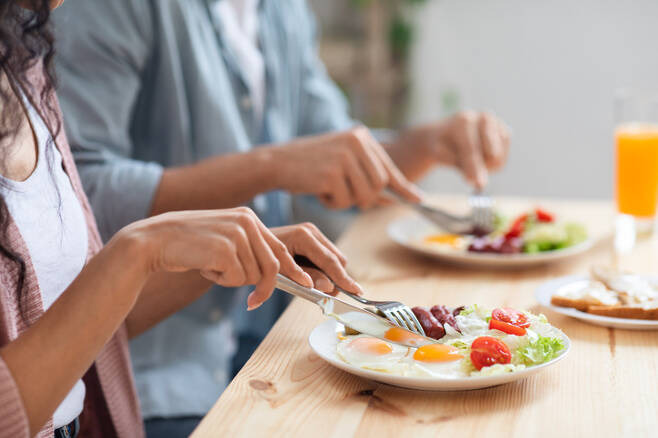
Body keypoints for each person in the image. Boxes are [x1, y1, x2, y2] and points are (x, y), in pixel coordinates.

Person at [53, 1, 511, 436]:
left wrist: (426, 145)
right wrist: (270, 166)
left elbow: (331, 156)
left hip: (280, 340)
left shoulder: (281, 8)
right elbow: (79, 189)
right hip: (159, 381)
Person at [0, 1, 361, 436]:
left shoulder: (28, 68)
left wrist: (218, 255)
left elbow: (81, 324)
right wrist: (139, 252)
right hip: (166, 383)